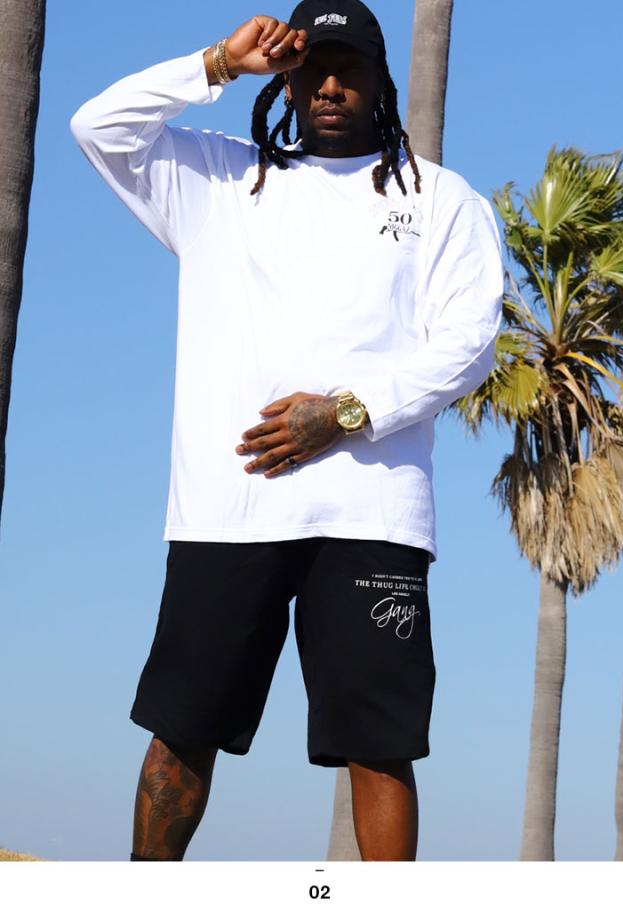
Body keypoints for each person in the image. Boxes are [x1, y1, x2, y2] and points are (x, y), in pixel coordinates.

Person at [70, 0, 503, 862]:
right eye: (312, 69)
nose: (330, 86)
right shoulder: (219, 180)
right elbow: (98, 127)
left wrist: (343, 412)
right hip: (228, 512)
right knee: (183, 727)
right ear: (288, 79)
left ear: (381, 81)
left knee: (379, 744)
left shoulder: (442, 200)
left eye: (350, 69)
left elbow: (470, 343)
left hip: (372, 515)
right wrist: (219, 65)